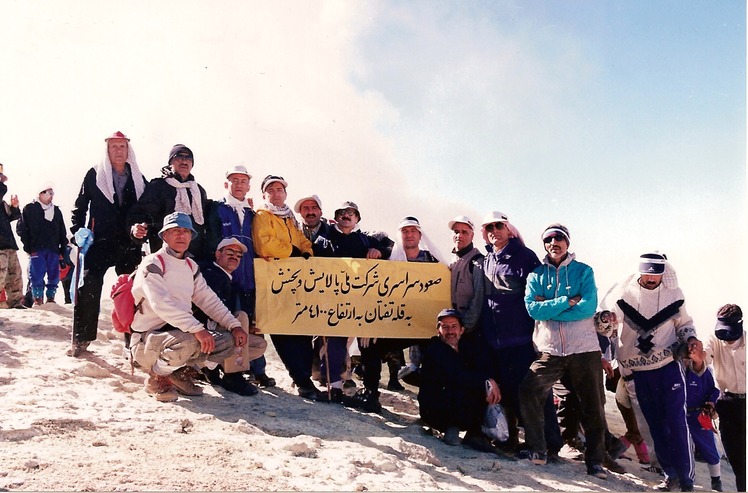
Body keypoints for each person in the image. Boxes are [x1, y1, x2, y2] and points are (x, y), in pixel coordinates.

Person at [598, 252, 698, 492]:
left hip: (669, 367)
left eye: (657, 274)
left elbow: (684, 324)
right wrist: (607, 320)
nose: (652, 279)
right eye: (648, 273)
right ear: (640, 271)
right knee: (654, 426)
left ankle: (686, 481)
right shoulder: (624, 294)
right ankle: (670, 475)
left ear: (664, 272)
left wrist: (692, 338)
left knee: (676, 423)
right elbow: (609, 324)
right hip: (639, 372)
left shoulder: (675, 294)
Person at [519, 223, 609, 480]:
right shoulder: (536, 275)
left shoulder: (583, 271)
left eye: (559, 239)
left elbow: (587, 307)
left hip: (584, 349)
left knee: (593, 404)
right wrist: (567, 301)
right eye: (549, 240)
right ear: (544, 244)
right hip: (550, 350)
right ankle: (538, 449)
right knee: (529, 390)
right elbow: (533, 310)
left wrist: (550, 306)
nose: (554, 243)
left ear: (567, 243)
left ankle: (595, 462)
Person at [129, 212, 247, 402]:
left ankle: (178, 374)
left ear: (191, 236)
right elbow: (161, 304)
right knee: (191, 340)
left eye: (185, 231)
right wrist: (197, 329)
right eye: (175, 230)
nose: (181, 235)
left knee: (227, 341)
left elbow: (208, 299)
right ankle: (157, 377)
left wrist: (234, 325)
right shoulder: (152, 263)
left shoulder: (191, 266)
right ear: (164, 235)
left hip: (177, 337)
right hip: (148, 340)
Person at [69, 131, 147, 356]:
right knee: (89, 284)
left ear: (128, 149)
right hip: (100, 240)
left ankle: (131, 339)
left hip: (129, 242)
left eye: (122, 146)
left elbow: (146, 211)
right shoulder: (94, 174)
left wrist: (142, 228)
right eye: (114, 147)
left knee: (132, 290)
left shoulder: (139, 178)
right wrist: (77, 231)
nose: (119, 151)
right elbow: (79, 207)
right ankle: (81, 339)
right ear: (107, 149)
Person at [252, 175, 323, 400]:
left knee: (300, 331)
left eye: (279, 189)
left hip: (294, 283)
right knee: (283, 332)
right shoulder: (264, 215)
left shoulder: (289, 218)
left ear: (285, 193)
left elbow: (304, 243)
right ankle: (301, 380)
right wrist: (294, 253)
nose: (275, 193)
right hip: (274, 282)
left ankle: (304, 379)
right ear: (265, 194)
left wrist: (306, 253)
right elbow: (265, 244)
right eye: (271, 190)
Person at [312, 201, 390, 404]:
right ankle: (334, 387)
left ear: (357, 219)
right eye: (343, 213)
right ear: (336, 216)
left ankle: (355, 384)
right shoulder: (324, 239)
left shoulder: (364, 240)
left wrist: (378, 252)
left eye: (351, 213)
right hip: (330, 299)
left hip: (357, 301)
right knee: (334, 341)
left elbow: (389, 247)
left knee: (354, 342)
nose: (347, 216)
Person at [206, 165, 276, 389]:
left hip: (249, 278)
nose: (238, 184)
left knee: (254, 324)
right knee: (227, 322)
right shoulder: (217, 208)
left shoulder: (252, 214)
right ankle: (223, 370)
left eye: (243, 181)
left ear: (249, 185)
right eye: (234, 180)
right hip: (225, 278)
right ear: (227, 184)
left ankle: (258, 370)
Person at [419, 308, 501, 452]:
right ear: (438, 330)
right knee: (462, 386)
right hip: (437, 408)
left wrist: (490, 381)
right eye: (445, 327)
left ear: (462, 330)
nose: (450, 331)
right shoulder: (434, 349)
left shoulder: (468, 346)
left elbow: (483, 366)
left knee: (485, 385)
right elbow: (455, 375)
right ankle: (452, 428)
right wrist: (486, 380)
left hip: (463, 402)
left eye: (454, 327)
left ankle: (475, 433)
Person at [197, 237, 268, 397]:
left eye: (238, 256)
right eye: (230, 253)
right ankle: (233, 376)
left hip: (216, 337)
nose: (234, 257)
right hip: (203, 335)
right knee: (241, 317)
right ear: (218, 254)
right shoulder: (209, 274)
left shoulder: (229, 280)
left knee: (259, 345)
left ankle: (211, 367)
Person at [388, 216, 443, 389]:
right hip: (397, 317)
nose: (409, 235)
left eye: (413, 231)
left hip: (424, 320)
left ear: (420, 235)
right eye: (405, 231)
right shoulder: (391, 260)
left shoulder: (431, 259)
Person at [129, 144, 209, 261]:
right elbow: (139, 213)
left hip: (193, 255)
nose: (184, 161)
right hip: (163, 253)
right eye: (179, 157)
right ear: (170, 162)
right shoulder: (158, 186)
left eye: (188, 158)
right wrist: (136, 229)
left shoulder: (198, 191)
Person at [705, 304, 745, 492]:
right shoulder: (714, 340)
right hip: (727, 405)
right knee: (737, 462)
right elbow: (702, 359)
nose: (727, 339)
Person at [17, 182, 68, 305]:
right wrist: (28, 247)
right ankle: (37, 299)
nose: (51, 196)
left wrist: (62, 249)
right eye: (49, 193)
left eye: (52, 193)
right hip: (36, 248)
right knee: (36, 274)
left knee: (54, 274)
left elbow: (62, 231)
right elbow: (22, 229)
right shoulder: (29, 208)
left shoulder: (56, 211)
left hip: (53, 248)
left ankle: (51, 298)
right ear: (41, 193)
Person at [683, 337, 723, 492]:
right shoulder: (681, 367)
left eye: (697, 346)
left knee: (709, 448)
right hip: (681, 414)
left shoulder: (707, 371)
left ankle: (716, 480)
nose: (693, 349)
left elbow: (715, 390)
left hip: (699, 415)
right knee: (681, 447)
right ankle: (682, 480)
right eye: (690, 346)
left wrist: (711, 404)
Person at [447, 215, 484, 332]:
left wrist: (466, 325)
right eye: (456, 232)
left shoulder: (478, 262)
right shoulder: (451, 261)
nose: (459, 236)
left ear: (472, 236)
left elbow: (478, 299)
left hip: (470, 330)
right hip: (452, 328)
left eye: (464, 232)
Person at [0, 167, 25, 309]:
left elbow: (13, 216)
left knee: (15, 275)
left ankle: (16, 303)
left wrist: (15, 207)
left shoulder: (2, 204)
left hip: (8, 244)